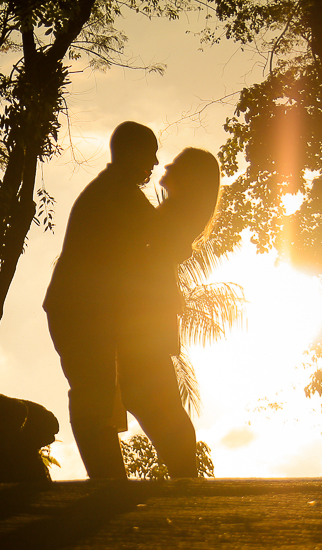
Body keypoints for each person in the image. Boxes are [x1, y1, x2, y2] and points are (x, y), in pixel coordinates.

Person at [44, 121, 159, 480]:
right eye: (150, 153)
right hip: (79, 310)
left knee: (96, 393)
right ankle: (108, 483)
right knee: (93, 393)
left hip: (79, 308)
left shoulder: (112, 190)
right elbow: (165, 236)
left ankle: (110, 482)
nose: (155, 162)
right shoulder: (117, 192)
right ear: (132, 153)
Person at [118, 147, 222, 480]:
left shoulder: (177, 214)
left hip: (146, 315)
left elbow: (148, 253)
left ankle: (185, 473)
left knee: (148, 394)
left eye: (176, 164)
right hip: (147, 313)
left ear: (190, 177)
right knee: (148, 394)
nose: (167, 165)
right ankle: (183, 471)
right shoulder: (177, 212)